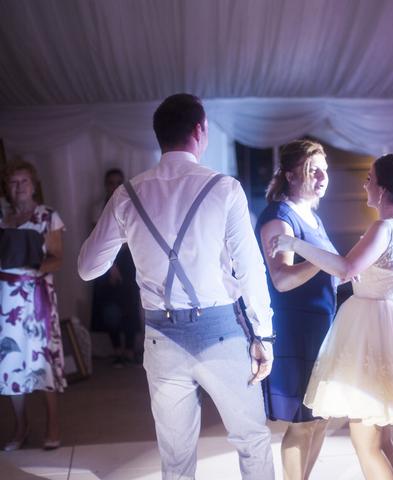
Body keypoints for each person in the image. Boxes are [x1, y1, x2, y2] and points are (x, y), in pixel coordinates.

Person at [78, 93, 275, 479]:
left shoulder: (127, 194)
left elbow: (87, 268)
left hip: (161, 338)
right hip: (222, 332)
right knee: (251, 439)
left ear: (160, 136)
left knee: (176, 456)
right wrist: (264, 335)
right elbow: (251, 269)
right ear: (200, 130)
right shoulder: (224, 188)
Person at [271, 153, 393, 480]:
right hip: (388, 321)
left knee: (366, 444)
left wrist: (294, 244)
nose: (365, 185)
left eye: (369, 179)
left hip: (371, 330)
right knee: (380, 441)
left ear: (384, 189)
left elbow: (347, 269)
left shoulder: (384, 227)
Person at [255, 139, 337, 480]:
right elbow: (282, 280)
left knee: (322, 417)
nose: (322, 177)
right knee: (304, 422)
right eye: (312, 170)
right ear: (290, 175)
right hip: (296, 330)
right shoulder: (279, 217)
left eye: (324, 171)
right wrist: (324, 260)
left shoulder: (312, 216)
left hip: (322, 329)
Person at [0, 160, 65, 451]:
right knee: (10, 362)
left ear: (34, 184)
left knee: (41, 361)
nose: (19, 187)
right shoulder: (2, 218)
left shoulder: (47, 216)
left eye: (23, 181)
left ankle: (53, 424)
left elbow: (57, 258)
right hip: (5, 300)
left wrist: (30, 271)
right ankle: (21, 426)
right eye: (13, 182)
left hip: (35, 296)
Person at [90, 168, 142, 367]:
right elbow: (97, 237)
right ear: (105, 185)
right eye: (111, 183)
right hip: (105, 259)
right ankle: (117, 350)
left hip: (128, 260)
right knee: (108, 309)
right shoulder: (97, 207)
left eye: (118, 183)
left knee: (130, 306)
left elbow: (132, 236)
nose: (114, 187)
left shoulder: (130, 204)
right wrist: (110, 266)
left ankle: (130, 350)